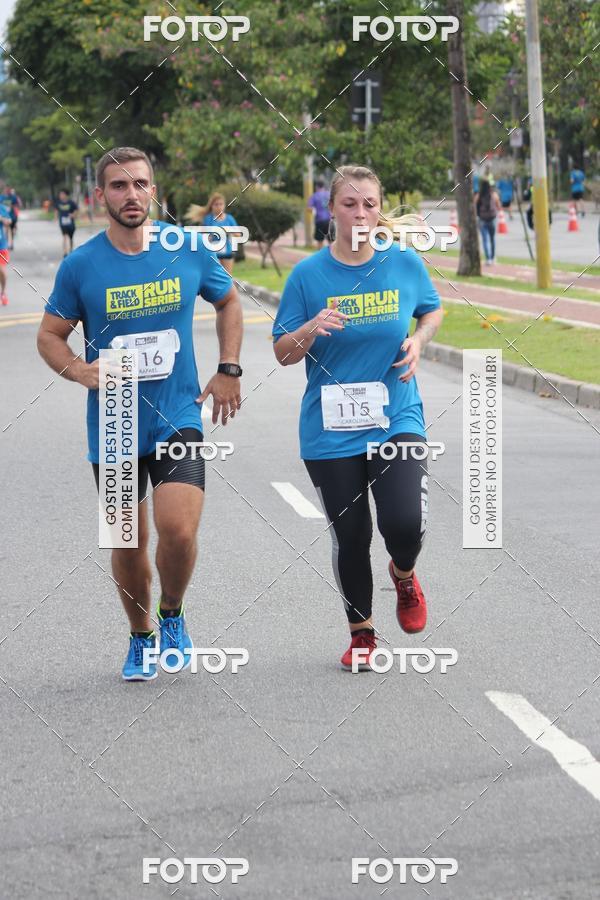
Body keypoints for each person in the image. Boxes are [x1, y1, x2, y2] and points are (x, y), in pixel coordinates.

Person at [37, 147, 243, 680]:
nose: (132, 195)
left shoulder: (187, 248)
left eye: (141, 184)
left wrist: (228, 368)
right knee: (128, 540)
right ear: (100, 195)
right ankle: (140, 635)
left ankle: (171, 613)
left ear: (155, 190)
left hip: (178, 411)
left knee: (177, 529)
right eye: (120, 186)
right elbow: (50, 336)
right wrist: (82, 372)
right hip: (116, 419)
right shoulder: (80, 266)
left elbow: (229, 301)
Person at [272, 164, 443, 671]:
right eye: (350, 204)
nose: (362, 213)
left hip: (397, 416)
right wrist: (311, 327)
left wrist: (419, 340)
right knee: (352, 536)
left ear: (380, 208)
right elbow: (283, 352)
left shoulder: (403, 263)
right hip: (331, 431)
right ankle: (362, 634)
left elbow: (430, 311)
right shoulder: (308, 275)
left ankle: (404, 573)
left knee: (404, 523)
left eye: (370, 203)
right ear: (332, 210)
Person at [200, 192, 239, 274]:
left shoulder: (229, 218)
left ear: (224, 205)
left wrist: (228, 231)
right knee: (216, 277)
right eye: (216, 204)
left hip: (227, 252)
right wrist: (212, 235)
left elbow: (238, 234)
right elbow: (203, 237)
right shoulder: (208, 219)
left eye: (221, 204)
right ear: (212, 206)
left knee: (228, 278)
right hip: (213, 253)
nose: (219, 207)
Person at [474, 178, 501, 264]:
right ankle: (493, 258)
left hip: (482, 219)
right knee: (492, 239)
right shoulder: (494, 195)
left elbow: (475, 206)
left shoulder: (479, 195)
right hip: (492, 219)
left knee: (485, 240)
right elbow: (498, 206)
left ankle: (488, 258)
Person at [307, 179, 332, 250]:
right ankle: (333, 257)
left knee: (320, 241)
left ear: (316, 186)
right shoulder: (329, 194)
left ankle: (321, 258)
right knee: (331, 241)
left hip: (319, 220)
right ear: (323, 186)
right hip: (330, 220)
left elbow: (309, 208)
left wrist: (314, 211)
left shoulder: (314, 196)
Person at [54, 188, 79, 257]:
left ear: (66, 195)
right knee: (64, 236)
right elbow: (56, 210)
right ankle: (65, 252)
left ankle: (71, 250)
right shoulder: (58, 203)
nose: (60, 196)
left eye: (62, 194)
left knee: (70, 237)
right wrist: (55, 218)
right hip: (63, 223)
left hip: (70, 223)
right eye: (60, 194)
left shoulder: (71, 203)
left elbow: (76, 210)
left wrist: (73, 215)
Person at [0, 196, 11, 305]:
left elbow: (8, 221)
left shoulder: (1, 208)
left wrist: (2, 219)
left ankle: (3, 293)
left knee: (2, 271)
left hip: (1, 246)